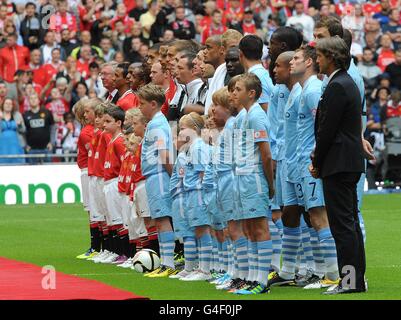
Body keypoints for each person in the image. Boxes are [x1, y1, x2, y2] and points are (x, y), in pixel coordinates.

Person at [311, 36, 366, 295]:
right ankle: (355, 279)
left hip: (339, 163)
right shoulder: (345, 83)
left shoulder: (338, 86)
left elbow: (327, 131)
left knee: (343, 226)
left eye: (319, 56)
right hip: (348, 161)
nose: (316, 60)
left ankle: (349, 281)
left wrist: (317, 162)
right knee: (350, 223)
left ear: (331, 56)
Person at [231, 73, 274, 295]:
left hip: (254, 178)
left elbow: (266, 154)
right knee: (248, 228)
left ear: (251, 93)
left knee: (259, 227)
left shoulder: (257, 116)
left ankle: (261, 281)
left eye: (238, 89)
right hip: (243, 177)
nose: (234, 93)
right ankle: (252, 278)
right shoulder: (245, 115)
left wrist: (271, 183)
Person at [138, 83, 177, 277]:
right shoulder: (156, 122)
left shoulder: (157, 124)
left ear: (153, 104)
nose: (139, 107)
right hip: (155, 174)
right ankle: (165, 262)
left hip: (159, 175)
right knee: (159, 219)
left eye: (142, 103)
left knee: (162, 219)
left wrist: (173, 176)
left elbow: (164, 153)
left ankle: (168, 264)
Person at [101, 105, 128, 264]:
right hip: (109, 181)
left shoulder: (120, 141)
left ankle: (124, 252)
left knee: (120, 218)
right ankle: (117, 251)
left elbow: (124, 163)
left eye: (108, 121)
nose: (104, 125)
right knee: (113, 218)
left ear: (118, 123)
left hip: (115, 182)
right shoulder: (112, 139)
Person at [23, 93, 55, 165]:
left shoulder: (47, 112)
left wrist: (52, 142)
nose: (33, 100)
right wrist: (26, 145)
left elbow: (53, 128)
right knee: (32, 174)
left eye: (35, 98)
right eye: (31, 99)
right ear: (29, 101)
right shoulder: (25, 115)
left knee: (48, 173)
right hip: (31, 149)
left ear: (38, 100)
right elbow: (23, 132)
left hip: (46, 148)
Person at [0, 98, 25, 164]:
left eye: (10, 104)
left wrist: (19, 125)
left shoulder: (18, 115)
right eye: (6, 103)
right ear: (3, 105)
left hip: (16, 146)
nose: (8, 105)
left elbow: (24, 130)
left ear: (12, 106)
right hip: (2, 147)